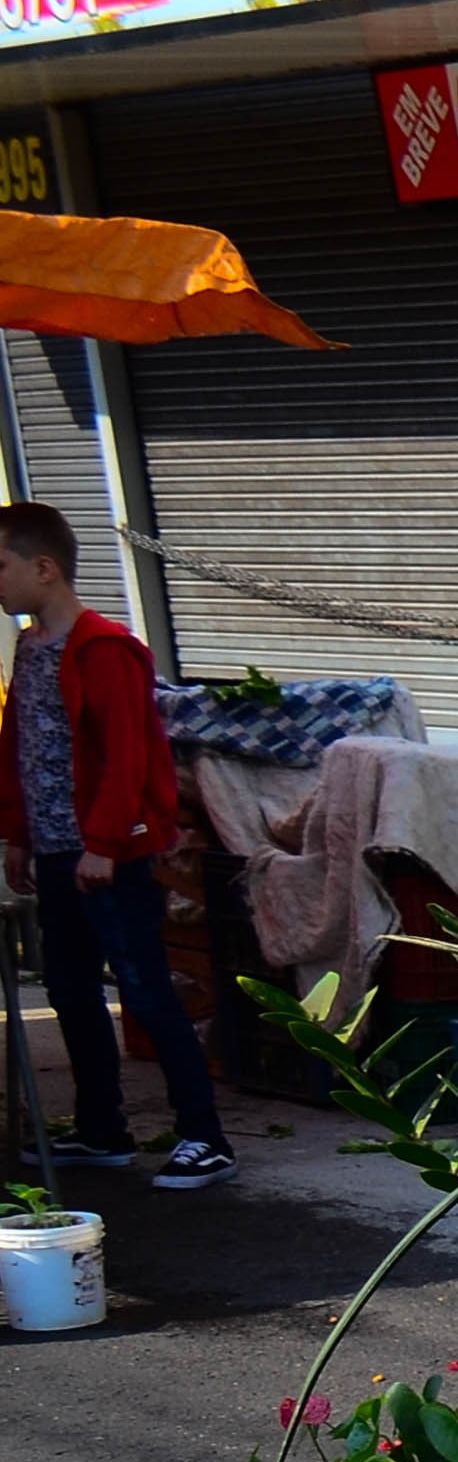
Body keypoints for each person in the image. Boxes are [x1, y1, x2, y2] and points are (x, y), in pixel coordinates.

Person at [0, 501, 225, 1190]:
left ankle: (205, 1137)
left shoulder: (105, 649)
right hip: (55, 853)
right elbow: (20, 747)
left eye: (0, 566)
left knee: (145, 989)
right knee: (70, 989)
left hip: (109, 856)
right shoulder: (31, 647)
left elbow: (128, 756)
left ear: (44, 568)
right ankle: (103, 1130)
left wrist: (103, 843)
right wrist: (18, 835)